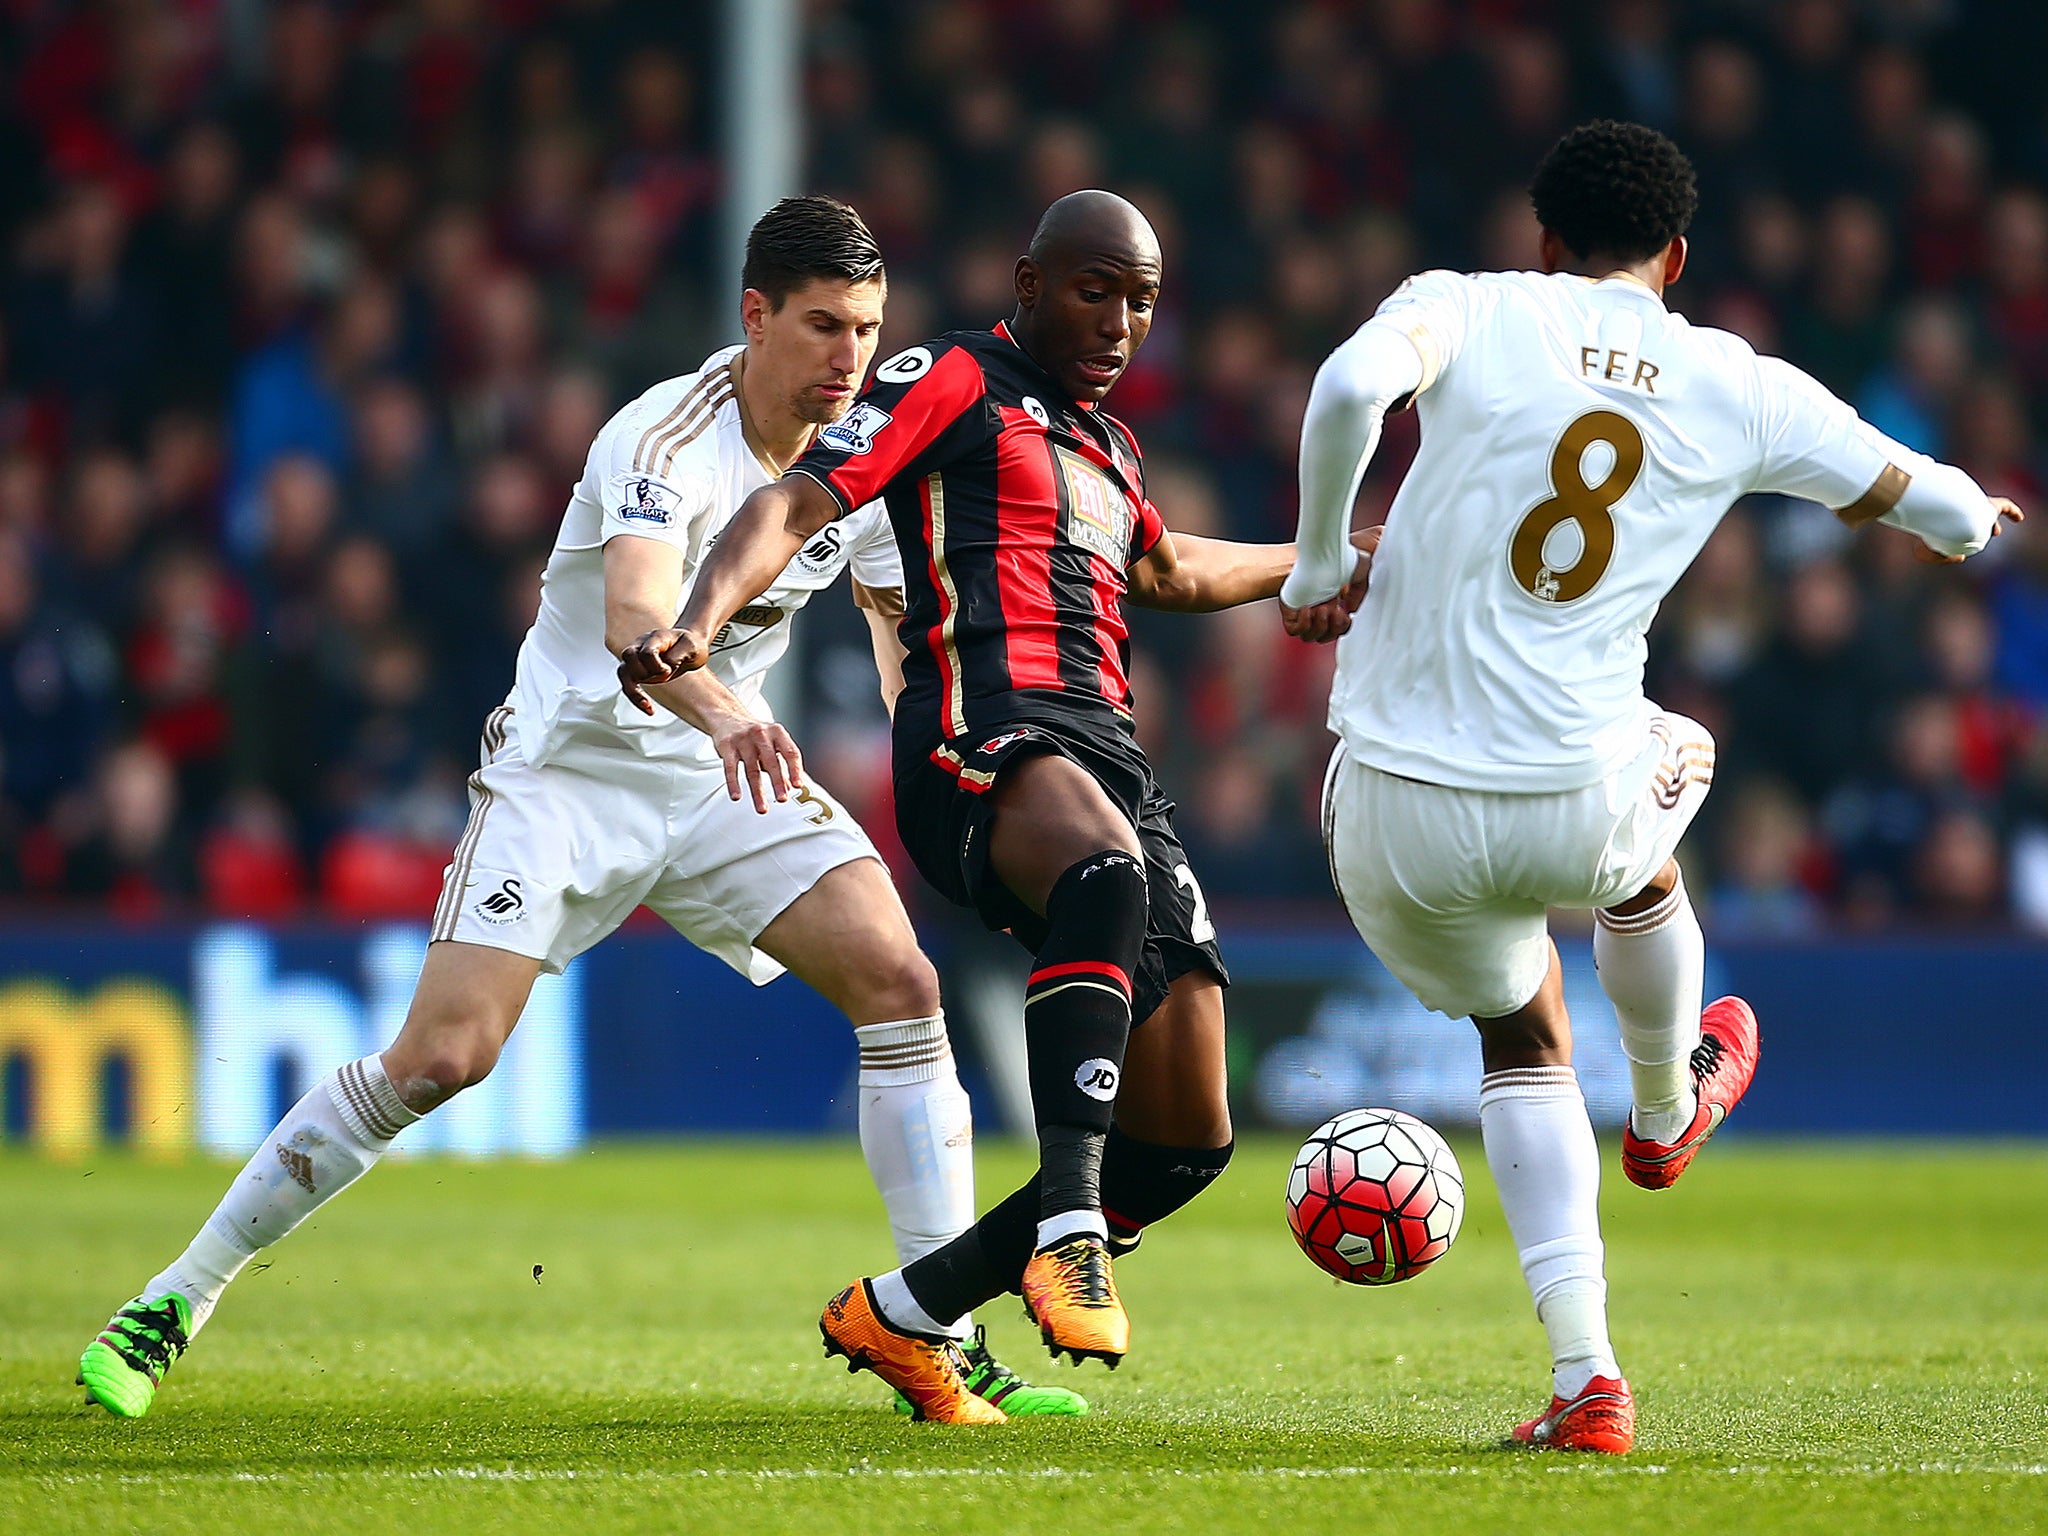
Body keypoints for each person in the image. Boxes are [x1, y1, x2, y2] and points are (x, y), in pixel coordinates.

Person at [78, 196, 1081, 1422]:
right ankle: (177, 1295)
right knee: (442, 1058)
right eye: (821, 326)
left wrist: (935, 760)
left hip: (722, 783)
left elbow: (892, 628)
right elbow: (634, 628)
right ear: (753, 316)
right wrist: (730, 717)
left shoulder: (861, 454)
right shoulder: (659, 442)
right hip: (572, 777)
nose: (846, 359)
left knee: (902, 982)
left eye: (866, 331)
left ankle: (942, 1337)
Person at [1282, 121, 2022, 1454]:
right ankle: (1669, 1106)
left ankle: (1588, 1379)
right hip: (1578, 793)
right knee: (1670, 778)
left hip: (1387, 816)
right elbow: (1930, 502)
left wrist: (1319, 563)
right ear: (1678, 255)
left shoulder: (1468, 305)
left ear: (1545, 241)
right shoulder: (1735, 382)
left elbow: (1344, 393)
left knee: (1520, 1036)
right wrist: (1979, 517)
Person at [621, 190, 1360, 1423]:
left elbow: (1168, 571)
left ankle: (904, 1313)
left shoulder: (1112, 450)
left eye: (1140, 301)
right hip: (977, 731)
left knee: (1184, 1137)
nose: (1120, 322)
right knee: (1104, 878)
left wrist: (1329, 557)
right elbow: (794, 503)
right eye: (1093, 291)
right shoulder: (953, 376)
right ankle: (1066, 1225)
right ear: (1027, 285)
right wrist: (693, 627)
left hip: (1106, 757)